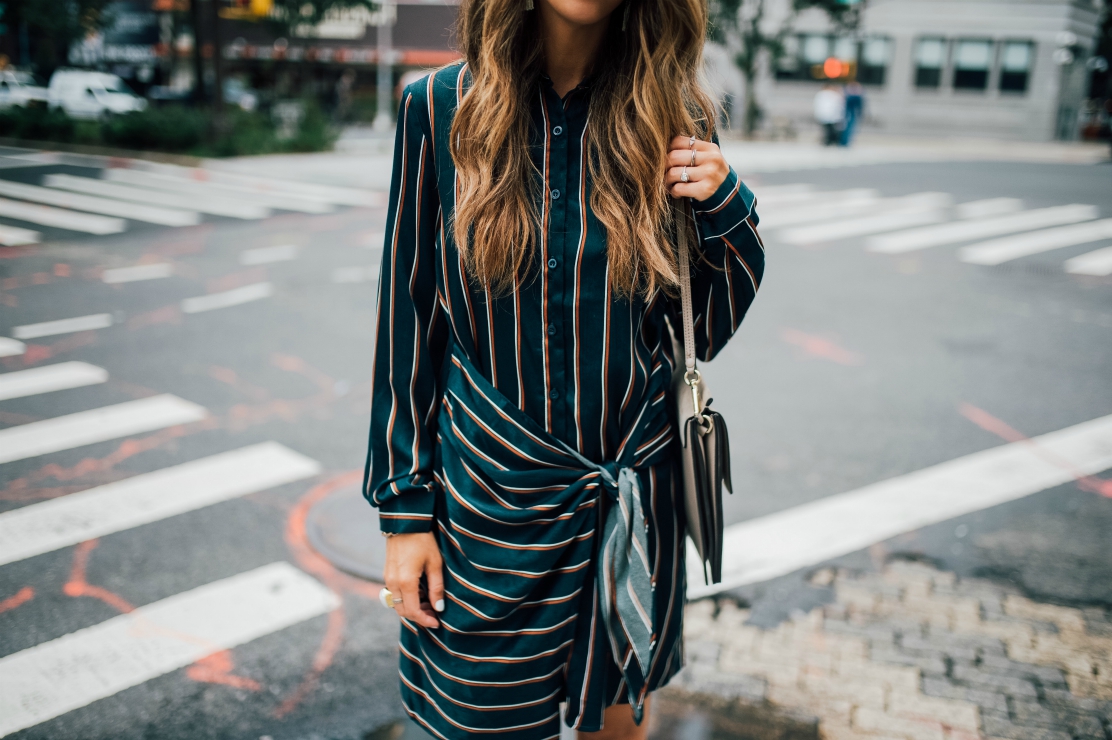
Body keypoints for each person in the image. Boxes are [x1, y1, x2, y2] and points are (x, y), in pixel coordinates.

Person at [362, 0, 765, 735]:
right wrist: (404, 514)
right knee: (486, 718)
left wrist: (725, 205)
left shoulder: (674, 118)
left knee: (617, 714)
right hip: (490, 502)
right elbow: (408, 320)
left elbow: (697, 330)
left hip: (630, 491)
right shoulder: (437, 107)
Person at [840, 80, 864, 146]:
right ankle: (844, 141)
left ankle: (844, 141)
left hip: (849, 114)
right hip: (851, 114)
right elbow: (859, 107)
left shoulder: (849, 96)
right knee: (849, 128)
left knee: (848, 128)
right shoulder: (855, 97)